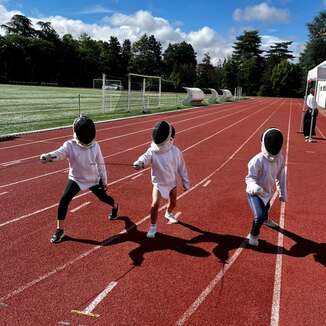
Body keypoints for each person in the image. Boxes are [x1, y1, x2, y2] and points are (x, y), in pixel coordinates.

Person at [40, 115, 119, 244]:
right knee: (64, 200)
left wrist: (104, 182)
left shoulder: (95, 146)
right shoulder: (70, 145)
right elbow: (59, 153)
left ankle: (115, 206)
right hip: (76, 179)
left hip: (93, 179)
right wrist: (49, 156)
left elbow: (101, 165)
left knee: (104, 198)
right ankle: (60, 230)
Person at [133, 120, 190, 238]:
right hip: (158, 184)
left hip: (172, 183)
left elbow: (182, 168)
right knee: (154, 204)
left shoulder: (176, 151)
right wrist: (139, 162)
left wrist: (185, 182)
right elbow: (145, 157)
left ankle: (168, 213)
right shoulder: (152, 150)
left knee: (173, 203)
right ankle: (152, 227)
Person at [245, 128, 287, 246]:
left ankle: (266, 220)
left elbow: (281, 176)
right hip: (254, 193)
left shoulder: (280, 159)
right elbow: (249, 178)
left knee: (266, 207)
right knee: (259, 215)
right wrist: (255, 187)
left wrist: (282, 192)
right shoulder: (257, 160)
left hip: (268, 191)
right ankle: (254, 235)